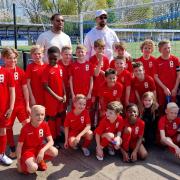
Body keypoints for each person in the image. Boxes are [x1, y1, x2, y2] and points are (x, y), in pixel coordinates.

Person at [1, 47, 30, 159]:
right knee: (8, 128)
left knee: (27, 124)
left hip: (20, 105)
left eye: (14, 58)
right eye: (9, 58)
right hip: (7, 107)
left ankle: (28, 146)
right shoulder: (2, 72)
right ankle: (12, 149)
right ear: (4, 58)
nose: (12, 61)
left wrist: (27, 105)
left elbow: (25, 89)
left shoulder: (20, 71)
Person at [16, 105, 58, 174]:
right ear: (31, 115)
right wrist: (19, 162)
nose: (40, 117)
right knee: (33, 168)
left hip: (39, 148)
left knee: (54, 151)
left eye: (42, 114)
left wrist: (42, 150)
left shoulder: (44, 124)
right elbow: (19, 146)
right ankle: (25, 165)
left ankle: (39, 160)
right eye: (37, 114)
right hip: (27, 151)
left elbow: (51, 141)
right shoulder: (25, 128)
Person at [42, 46, 66, 149]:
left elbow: (62, 82)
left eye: (55, 58)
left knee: (59, 117)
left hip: (60, 99)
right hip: (52, 100)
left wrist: (64, 94)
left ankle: (58, 135)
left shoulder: (60, 68)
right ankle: (52, 139)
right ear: (47, 57)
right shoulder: (46, 69)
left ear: (59, 57)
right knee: (51, 118)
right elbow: (45, 86)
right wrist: (57, 96)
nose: (52, 60)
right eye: (50, 58)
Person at [154, 40, 180, 112]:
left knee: (173, 109)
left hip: (173, 90)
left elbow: (179, 75)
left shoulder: (175, 59)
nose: (168, 50)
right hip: (161, 90)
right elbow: (155, 77)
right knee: (162, 109)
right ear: (160, 50)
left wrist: (175, 88)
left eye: (169, 47)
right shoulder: (157, 61)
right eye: (165, 48)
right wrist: (164, 88)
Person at [89, 39, 109, 126]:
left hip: (103, 87)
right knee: (93, 108)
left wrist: (100, 70)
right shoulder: (92, 59)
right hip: (94, 88)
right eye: (99, 48)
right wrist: (100, 62)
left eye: (102, 48)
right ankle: (92, 125)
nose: (101, 50)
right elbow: (96, 74)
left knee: (102, 108)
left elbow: (107, 74)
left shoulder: (106, 59)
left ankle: (101, 125)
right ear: (94, 48)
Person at [69, 44, 93, 109]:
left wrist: (89, 93)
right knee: (75, 110)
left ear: (85, 53)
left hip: (86, 93)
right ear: (76, 53)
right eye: (78, 52)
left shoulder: (89, 65)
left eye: (82, 52)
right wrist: (72, 93)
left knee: (86, 111)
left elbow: (91, 80)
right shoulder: (72, 65)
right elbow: (70, 80)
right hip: (76, 93)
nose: (80, 53)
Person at [0, 66, 15, 165]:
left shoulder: (6, 72)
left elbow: (12, 90)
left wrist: (11, 107)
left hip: (3, 109)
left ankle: (1, 154)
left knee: (2, 130)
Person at [58, 45, 73, 115]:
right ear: (61, 54)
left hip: (70, 90)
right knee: (61, 108)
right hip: (60, 90)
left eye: (70, 54)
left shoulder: (72, 64)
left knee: (70, 108)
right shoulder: (57, 64)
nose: (68, 56)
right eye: (66, 54)